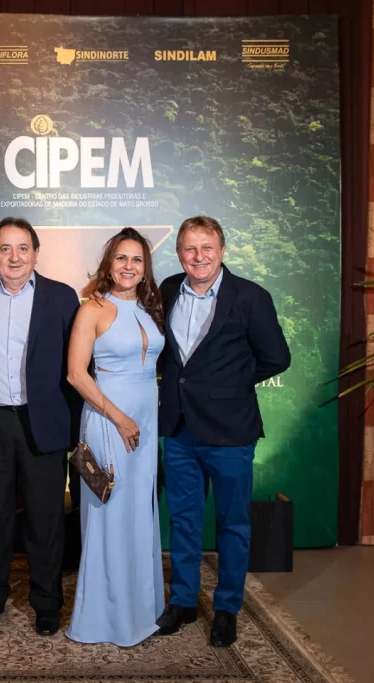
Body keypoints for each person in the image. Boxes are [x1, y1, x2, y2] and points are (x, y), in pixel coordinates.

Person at [156, 216, 291, 648]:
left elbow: (278, 358)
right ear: (179, 253)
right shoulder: (167, 289)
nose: (198, 257)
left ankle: (227, 608)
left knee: (232, 523)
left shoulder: (251, 297)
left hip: (231, 431)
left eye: (207, 248)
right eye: (190, 248)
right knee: (183, 520)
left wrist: (228, 384)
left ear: (221, 250)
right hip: (179, 430)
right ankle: (183, 601)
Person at [0, 217, 80, 637]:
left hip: (43, 423)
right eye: (5, 248)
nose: (14, 257)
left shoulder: (62, 297)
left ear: (35, 253)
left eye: (23, 248)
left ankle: (47, 603)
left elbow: (77, 366)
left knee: (45, 520)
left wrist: (76, 429)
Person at [64, 228, 165, 646]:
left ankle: (140, 611)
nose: (129, 266)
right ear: (108, 264)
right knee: (110, 514)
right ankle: (103, 620)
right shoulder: (92, 309)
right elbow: (76, 374)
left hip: (144, 424)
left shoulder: (148, 308)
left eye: (137, 259)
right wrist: (121, 419)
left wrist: (137, 418)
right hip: (109, 423)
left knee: (139, 513)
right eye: (121, 258)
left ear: (145, 268)